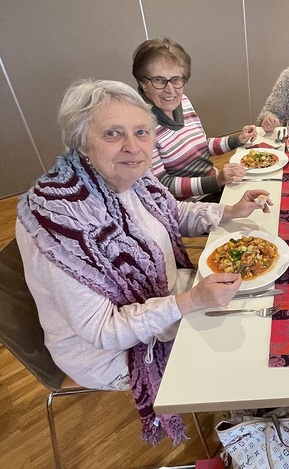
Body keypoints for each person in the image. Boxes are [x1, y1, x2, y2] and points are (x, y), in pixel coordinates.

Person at [15, 79, 272, 444]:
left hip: (168, 295)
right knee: (244, 342)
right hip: (109, 349)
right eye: (112, 133)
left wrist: (228, 211)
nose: (133, 147)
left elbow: (171, 213)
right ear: (81, 142)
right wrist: (191, 301)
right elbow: (103, 331)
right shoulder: (58, 219)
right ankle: (249, 428)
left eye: (141, 132)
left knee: (258, 305)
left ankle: (254, 414)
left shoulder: (132, 178)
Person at [132, 37, 257, 201]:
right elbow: (163, 184)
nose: (170, 90)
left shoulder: (183, 102)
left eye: (176, 79)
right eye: (159, 80)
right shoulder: (140, 126)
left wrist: (237, 140)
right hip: (190, 206)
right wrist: (216, 181)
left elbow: (201, 146)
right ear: (143, 83)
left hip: (214, 188)